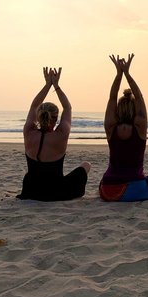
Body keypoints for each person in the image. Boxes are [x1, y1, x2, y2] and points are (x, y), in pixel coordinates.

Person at [99, 54, 148, 202]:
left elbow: (112, 97)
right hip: (134, 189)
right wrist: (128, 74)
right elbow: (139, 97)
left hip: (108, 189)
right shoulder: (140, 126)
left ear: (118, 109)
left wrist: (118, 74)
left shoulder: (110, 127)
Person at [18, 67, 90, 201]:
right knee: (86, 165)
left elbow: (34, 105)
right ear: (56, 119)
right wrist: (56, 85)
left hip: (30, 190)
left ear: (38, 117)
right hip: (55, 191)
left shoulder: (28, 131)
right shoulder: (61, 135)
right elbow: (67, 107)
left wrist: (47, 85)